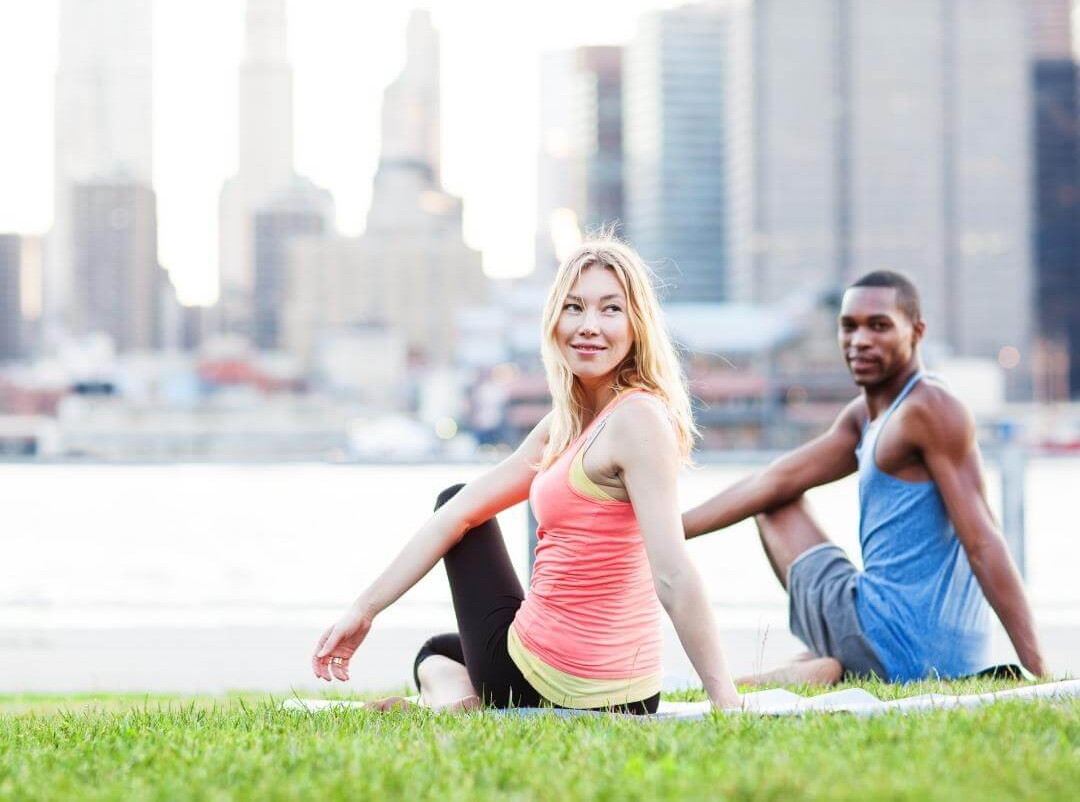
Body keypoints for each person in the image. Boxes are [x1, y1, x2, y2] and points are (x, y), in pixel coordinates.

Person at [312, 237, 742, 713]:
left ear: (638, 325)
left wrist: (725, 700)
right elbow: (458, 513)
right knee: (444, 640)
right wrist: (363, 611)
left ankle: (455, 703)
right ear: (553, 321)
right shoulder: (571, 422)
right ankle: (457, 699)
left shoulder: (635, 419)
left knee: (435, 654)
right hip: (631, 696)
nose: (589, 326)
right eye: (574, 307)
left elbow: (674, 573)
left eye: (611, 309)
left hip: (541, 680)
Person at [683, 270, 1048, 685]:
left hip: (892, 646)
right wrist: (662, 533)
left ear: (917, 331)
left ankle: (826, 662)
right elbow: (776, 475)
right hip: (950, 659)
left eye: (879, 326)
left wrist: (1038, 670)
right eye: (849, 327)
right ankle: (825, 662)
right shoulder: (865, 417)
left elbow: (983, 542)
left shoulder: (929, 408)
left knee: (776, 506)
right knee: (777, 489)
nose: (860, 340)